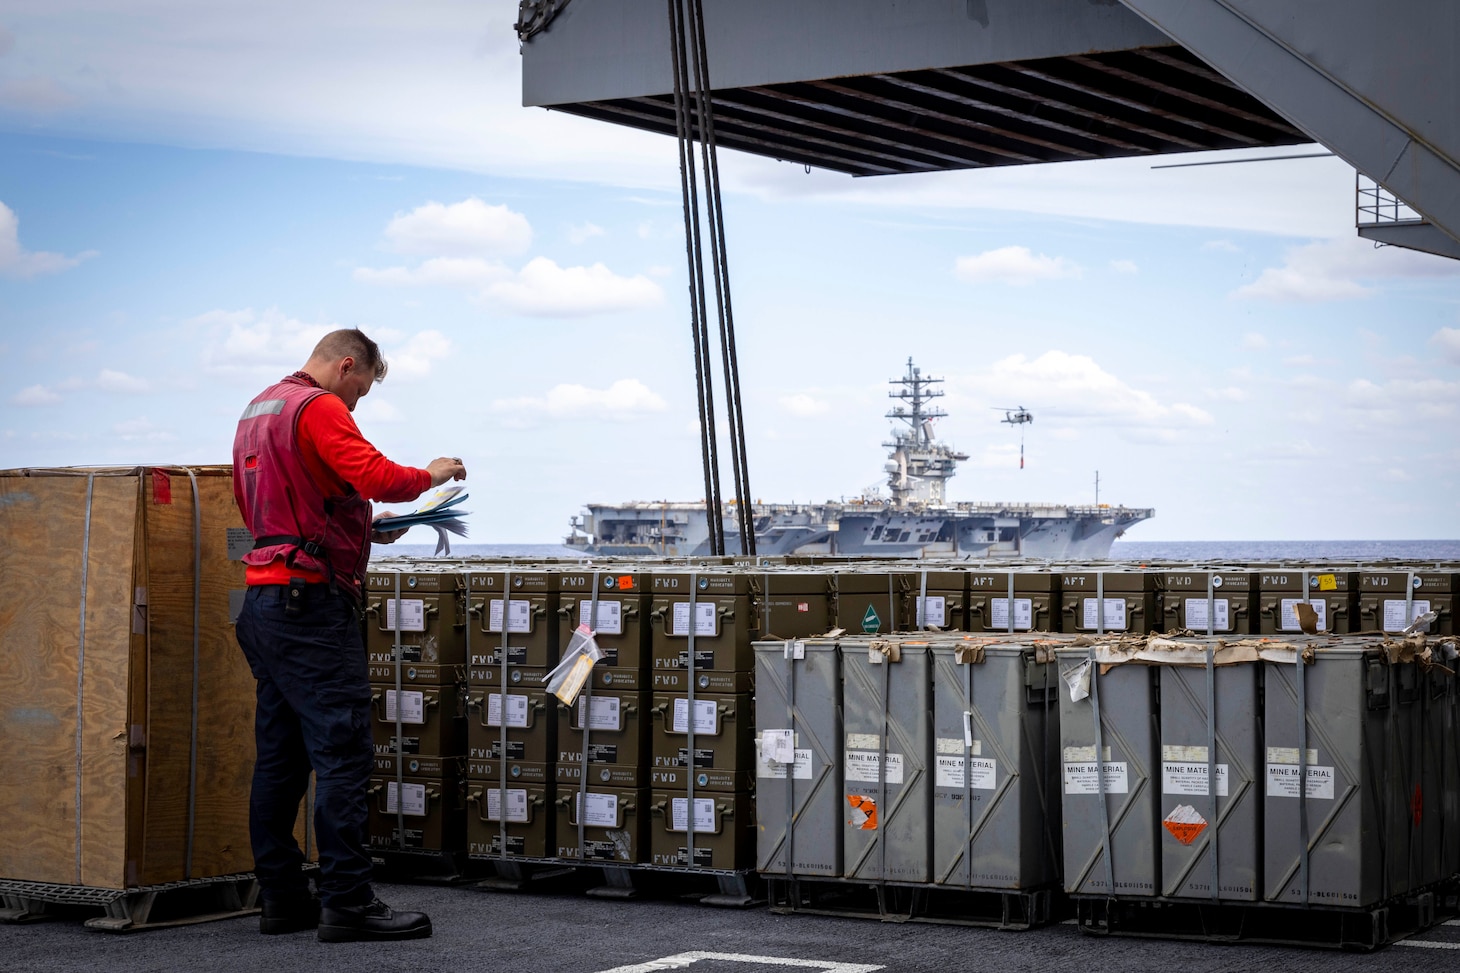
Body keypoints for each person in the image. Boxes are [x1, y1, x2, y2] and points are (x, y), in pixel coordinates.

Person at [231, 328, 466, 942]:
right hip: (310, 608)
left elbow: (283, 504)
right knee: (343, 753)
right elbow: (375, 473)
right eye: (360, 389)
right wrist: (430, 475)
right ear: (346, 365)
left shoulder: (259, 409)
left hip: (265, 600)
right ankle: (348, 902)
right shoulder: (319, 405)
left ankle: (282, 899)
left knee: (280, 759)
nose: (357, 403)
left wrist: (363, 526)